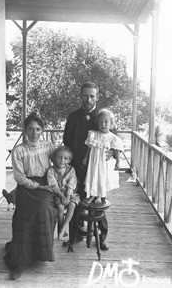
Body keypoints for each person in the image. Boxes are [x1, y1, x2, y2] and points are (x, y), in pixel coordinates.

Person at [4, 113, 58, 280]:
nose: (35, 133)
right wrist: (37, 186)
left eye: (38, 129)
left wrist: (58, 185)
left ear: (42, 130)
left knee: (43, 208)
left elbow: (60, 164)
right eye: (31, 129)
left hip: (45, 183)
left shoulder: (49, 146)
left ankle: (38, 252)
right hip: (26, 186)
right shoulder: (19, 150)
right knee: (24, 214)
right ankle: (20, 260)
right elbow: (19, 177)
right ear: (25, 130)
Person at [63, 82, 113, 250]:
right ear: (80, 96)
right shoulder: (73, 117)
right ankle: (75, 234)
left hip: (97, 168)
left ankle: (102, 236)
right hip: (77, 164)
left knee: (97, 202)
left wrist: (112, 153)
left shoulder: (102, 116)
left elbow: (114, 138)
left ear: (96, 97)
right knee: (76, 199)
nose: (88, 99)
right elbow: (66, 140)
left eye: (92, 96)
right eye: (85, 95)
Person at [83, 108, 124, 204]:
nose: (103, 124)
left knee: (102, 178)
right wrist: (86, 157)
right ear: (97, 123)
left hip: (104, 163)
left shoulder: (113, 138)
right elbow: (89, 147)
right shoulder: (93, 134)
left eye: (106, 122)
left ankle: (101, 196)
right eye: (101, 122)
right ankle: (92, 195)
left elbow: (117, 149)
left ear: (111, 124)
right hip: (94, 162)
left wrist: (118, 162)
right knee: (93, 177)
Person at [47, 145, 80, 240]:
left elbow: (71, 184)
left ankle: (64, 227)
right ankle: (61, 230)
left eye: (65, 158)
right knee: (60, 207)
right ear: (55, 158)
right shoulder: (51, 171)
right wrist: (62, 196)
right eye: (59, 157)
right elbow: (53, 186)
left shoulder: (71, 170)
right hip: (58, 194)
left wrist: (68, 197)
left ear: (69, 160)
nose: (62, 160)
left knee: (72, 205)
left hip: (71, 193)